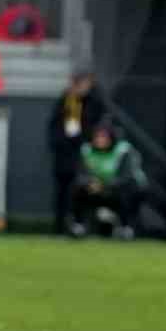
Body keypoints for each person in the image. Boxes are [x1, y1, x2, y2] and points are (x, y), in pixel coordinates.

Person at [47, 71, 104, 235]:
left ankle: (81, 225)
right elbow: (60, 130)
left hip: (82, 156)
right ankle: (60, 227)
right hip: (65, 156)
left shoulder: (92, 102)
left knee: (82, 191)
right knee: (63, 192)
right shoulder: (66, 102)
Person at [68, 122, 146, 239]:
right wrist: (90, 182)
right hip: (95, 189)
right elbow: (81, 173)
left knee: (127, 192)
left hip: (119, 190)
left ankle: (127, 228)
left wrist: (105, 185)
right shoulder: (87, 150)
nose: (100, 140)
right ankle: (78, 226)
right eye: (97, 137)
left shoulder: (123, 150)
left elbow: (126, 176)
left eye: (103, 137)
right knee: (77, 189)